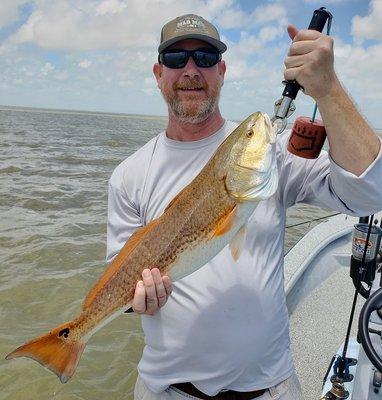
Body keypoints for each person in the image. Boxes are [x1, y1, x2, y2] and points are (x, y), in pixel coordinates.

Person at [106, 14, 382, 400]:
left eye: (204, 58)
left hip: (270, 388)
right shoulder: (129, 175)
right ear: (158, 72)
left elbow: (369, 193)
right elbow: (122, 280)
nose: (190, 70)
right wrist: (138, 303)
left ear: (221, 70)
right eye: (175, 59)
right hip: (165, 390)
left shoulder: (272, 154)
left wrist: (328, 90)